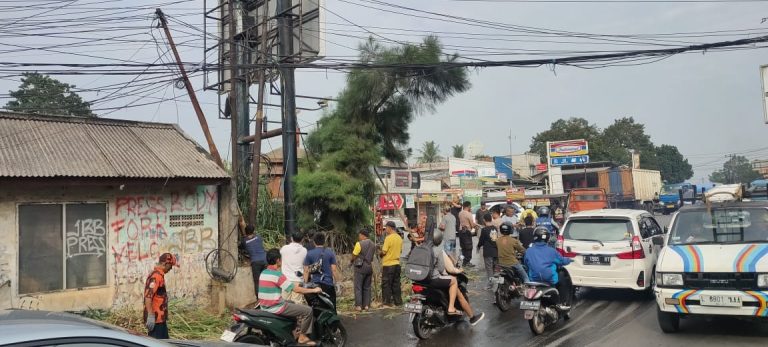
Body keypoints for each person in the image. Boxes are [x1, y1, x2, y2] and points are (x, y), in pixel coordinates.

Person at [259, 249, 323, 346]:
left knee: (291, 303)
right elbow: (296, 289)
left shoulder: (264, 273)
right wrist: (314, 290)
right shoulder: (278, 275)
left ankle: (293, 331)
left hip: (264, 306)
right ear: (277, 260)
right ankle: (302, 337)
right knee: (308, 311)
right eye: (280, 259)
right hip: (275, 307)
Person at [429, 229, 486, 326]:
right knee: (457, 288)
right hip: (435, 278)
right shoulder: (439, 251)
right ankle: (471, 317)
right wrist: (459, 270)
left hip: (422, 279)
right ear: (439, 240)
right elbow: (448, 269)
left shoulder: (423, 248)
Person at [524, 227, 573, 309]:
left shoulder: (528, 251)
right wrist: (570, 260)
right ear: (547, 238)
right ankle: (563, 303)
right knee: (563, 279)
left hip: (533, 280)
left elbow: (526, 263)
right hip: (549, 280)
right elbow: (562, 261)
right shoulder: (551, 251)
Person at [144, 253, 177, 339]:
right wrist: (151, 316)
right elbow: (148, 297)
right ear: (164, 264)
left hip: (160, 319)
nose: (171, 268)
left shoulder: (159, 275)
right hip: (156, 320)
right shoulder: (156, 276)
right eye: (170, 266)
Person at [303, 233, 340, 308]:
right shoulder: (330, 252)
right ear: (324, 241)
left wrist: (305, 284)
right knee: (331, 306)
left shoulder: (309, 254)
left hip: (315, 284)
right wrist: (338, 283)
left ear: (314, 242)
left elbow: (306, 271)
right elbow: (334, 270)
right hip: (328, 283)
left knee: (317, 306)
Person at [380, 221, 404, 307]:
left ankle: (387, 302)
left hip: (388, 265)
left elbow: (384, 251)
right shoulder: (399, 238)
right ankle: (398, 302)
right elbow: (400, 251)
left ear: (390, 228)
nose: (385, 230)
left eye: (386, 228)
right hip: (397, 264)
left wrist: (380, 254)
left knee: (386, 284)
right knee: (396, 284)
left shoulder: (388, 238)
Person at [351, 228, 375, 311]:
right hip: (369, 267)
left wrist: (352, 260)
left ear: (362, 235)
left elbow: (354, 254)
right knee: (367, 287)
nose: (359, 237)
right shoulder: (373, 244)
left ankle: (358, 306)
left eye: (359, 235)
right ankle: (366, 306)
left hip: (360, 267)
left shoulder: (359, 244)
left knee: (358, 287)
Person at [280, 232, 308, 303]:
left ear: (291, 238)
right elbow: (306, 267)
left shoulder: (284, 248)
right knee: (297, 304)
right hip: (297, 280)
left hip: (286, 279)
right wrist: (305, 281)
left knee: (285, 303)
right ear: (302, 240)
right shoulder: (304, 251)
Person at [242, 224, 266, 298]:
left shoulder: (244, 241)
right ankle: (267, 297)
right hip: (265, 260)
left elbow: (242, 247)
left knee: (257, 281)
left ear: (245, 232)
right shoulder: (259, 237)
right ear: (253, 231)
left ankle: (259, 299)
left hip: (255, 262)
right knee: (265, 280)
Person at [476, 213, 499, 289]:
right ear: (491, 219)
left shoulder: (484, 230)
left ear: (484, 220)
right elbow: (495, 239)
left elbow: (481, 241)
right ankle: (495, 283)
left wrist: (478, 246)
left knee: (489, 269)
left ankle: (490, 284)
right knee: (494, 268)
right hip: (495, 251)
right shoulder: (495, 228)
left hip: (488, 252)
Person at [458, 201, 477, 267]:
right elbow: (472, 225)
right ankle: (467, 262)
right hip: (466, 232)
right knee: (469, 247)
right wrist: (474, 226)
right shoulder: (469, 214)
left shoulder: (460, 213)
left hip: (461, 231)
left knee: (463, 247)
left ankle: (464, 262)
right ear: (469, 206)